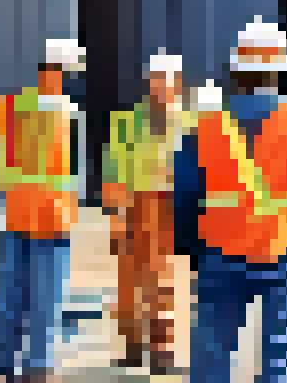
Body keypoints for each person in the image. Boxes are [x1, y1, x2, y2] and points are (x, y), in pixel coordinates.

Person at [174, 18, 287, 383]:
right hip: (286, 252)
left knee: (212, 355)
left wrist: (192, 250)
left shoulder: (206, 125)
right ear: (280, 71)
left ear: (236, 70)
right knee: (284, 357)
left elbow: (184, 196)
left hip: (221, 251)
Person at [0, 38, 88, 382]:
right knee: (45, 302)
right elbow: (72, 173)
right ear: (59, 72)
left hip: (18, 216)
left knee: (10, 298)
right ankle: (36, 369)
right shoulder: (68, 113)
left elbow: (0, 145)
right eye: (69, 73)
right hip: (53, 222)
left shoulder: (10, 106)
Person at [107, 52, 198, 374]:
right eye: (157, 79)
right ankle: (133, 348)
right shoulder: (127, 122)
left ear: (177, 84)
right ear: (149, 82)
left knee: (162, 282)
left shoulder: (190, 123)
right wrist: (116, 216)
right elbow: (114, 170)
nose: (162, 86)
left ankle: (161, 352)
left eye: (168, 80)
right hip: (134, 204)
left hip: (170, 206)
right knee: (129, 281)